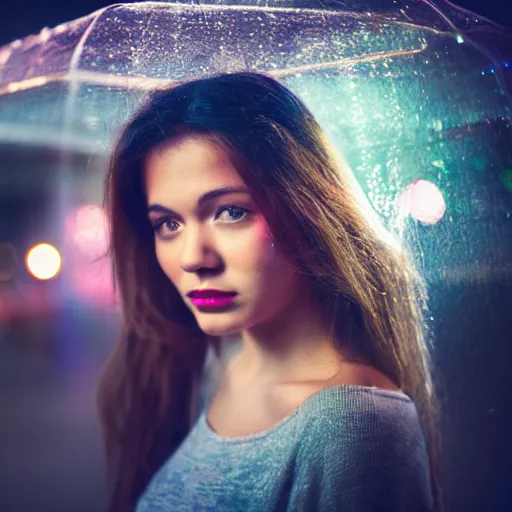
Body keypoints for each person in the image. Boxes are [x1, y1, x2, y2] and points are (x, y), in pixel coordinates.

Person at [98, 71, 444, 512]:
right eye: (168, 223)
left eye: (229, 212)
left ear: (308, 209)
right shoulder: (219, 375)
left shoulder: (354, 425)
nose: (193, 257)